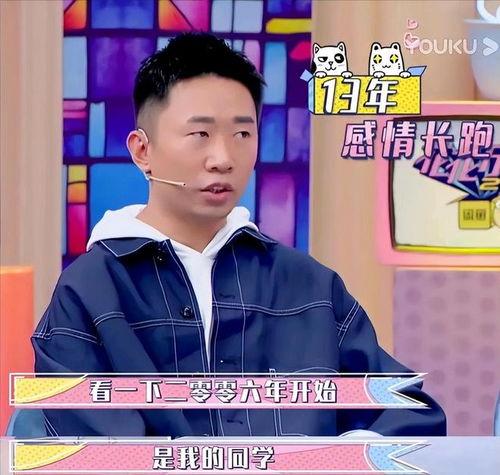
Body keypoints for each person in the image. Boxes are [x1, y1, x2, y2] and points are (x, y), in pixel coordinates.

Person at [32, 32, 446, 437]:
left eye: (242, 135)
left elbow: (411, 412)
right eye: (200, 135)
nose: (223, 159)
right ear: (143, 150)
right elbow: (97, 452)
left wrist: (346, 456)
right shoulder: (88, 290)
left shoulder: (308, 284)